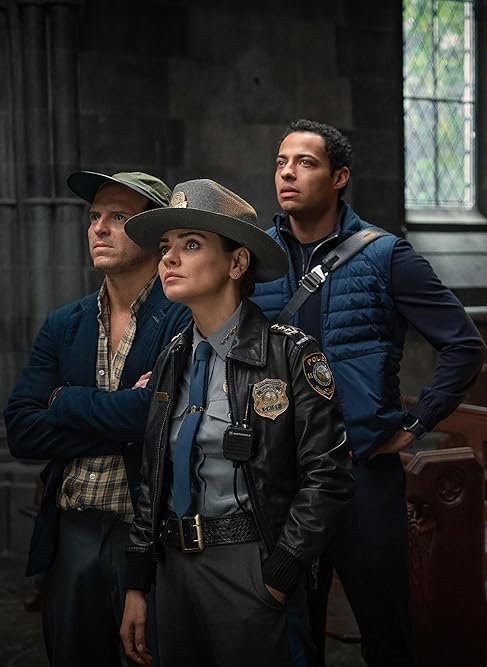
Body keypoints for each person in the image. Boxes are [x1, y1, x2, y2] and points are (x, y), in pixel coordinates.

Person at [253, 119, 486, 665]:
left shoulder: (385, 256)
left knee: (386, 634)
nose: (288, 173)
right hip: (279, 472)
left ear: (340, 177)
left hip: (359, 472)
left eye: (305, 163)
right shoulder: (254, 258)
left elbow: (464, 346)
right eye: (281, 162)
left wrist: (416, 424)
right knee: (290, 636)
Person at [118, 179, 355, 667]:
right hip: (173, 567)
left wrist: (280, 571)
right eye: (165, 247)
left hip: (250, 562)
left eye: (190, 244)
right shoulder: (172, 358)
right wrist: (138, 582)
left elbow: (328, 476)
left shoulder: (289, 355)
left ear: (237, 262)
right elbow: (152, 474)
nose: (169, 258)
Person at [4, 170, 189, 666]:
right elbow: (21, 429)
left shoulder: (182, 315)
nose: (99, 229)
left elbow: (159, 418)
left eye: (118, 217)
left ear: (154, 234)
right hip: (72, 534)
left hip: (149, 535)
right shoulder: (65, 324)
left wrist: (63, 401)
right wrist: (123, 417)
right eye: (94, 217)